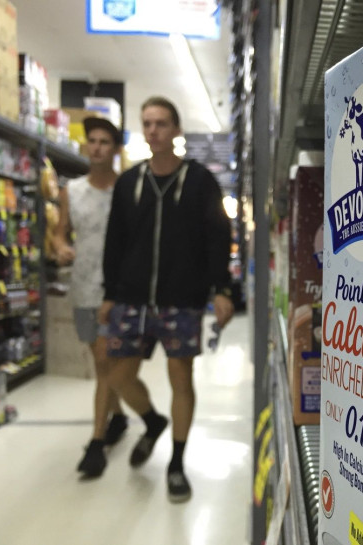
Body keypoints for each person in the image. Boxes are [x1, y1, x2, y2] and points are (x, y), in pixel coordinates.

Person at [99, 96, 235, 503]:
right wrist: (109, 293)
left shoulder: (199, 182)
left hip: (182, 299)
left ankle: (176, 463)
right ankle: (152, 421)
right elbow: (115, 243)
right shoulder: (129, 183)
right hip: (132, 299)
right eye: (147, 123)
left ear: (176, 130)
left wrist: (222, 289)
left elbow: (217, 239)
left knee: (181, 379)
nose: (153, 130)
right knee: (119, 376)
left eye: (161, 123)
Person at [52, 116, 129, 478]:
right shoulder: (72, 190)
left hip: (115, 290)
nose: (96, 147)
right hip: (82, 287)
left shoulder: (127, 190)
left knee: (104, 362)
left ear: (115, 149)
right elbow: (59, 233)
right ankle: (117, 417)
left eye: (104, 141)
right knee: (100, 361)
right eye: (92, 140)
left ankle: (96, 444)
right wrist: (61, 247)